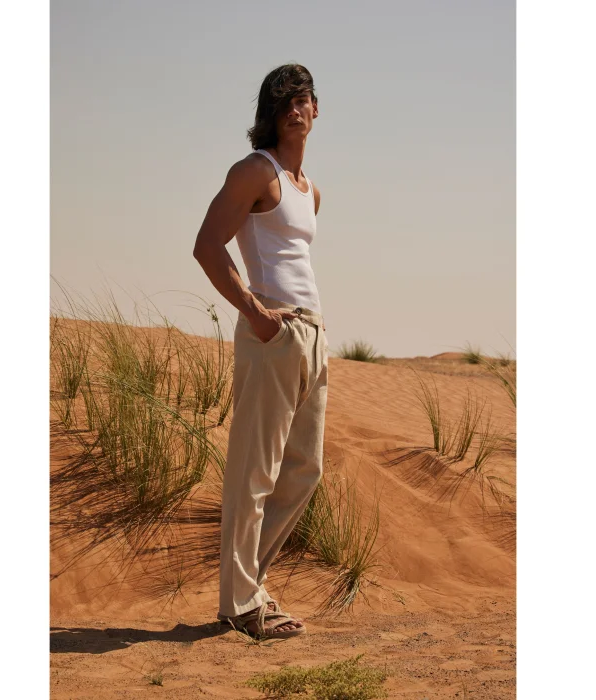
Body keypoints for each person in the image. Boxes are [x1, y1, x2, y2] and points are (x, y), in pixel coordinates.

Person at [193, 63, 328, 640]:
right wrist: (255, 313)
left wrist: (311, 332)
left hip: (312, 333)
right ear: (270, 114)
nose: (294, 109)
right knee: (254, 471)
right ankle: (241, 603)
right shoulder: (255, 170)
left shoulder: (310, 190)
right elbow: (207, 245)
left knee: (303, 471)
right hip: (272, 328)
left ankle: (251, 588)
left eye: (302, 99)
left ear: (316, 109)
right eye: (282, 102)